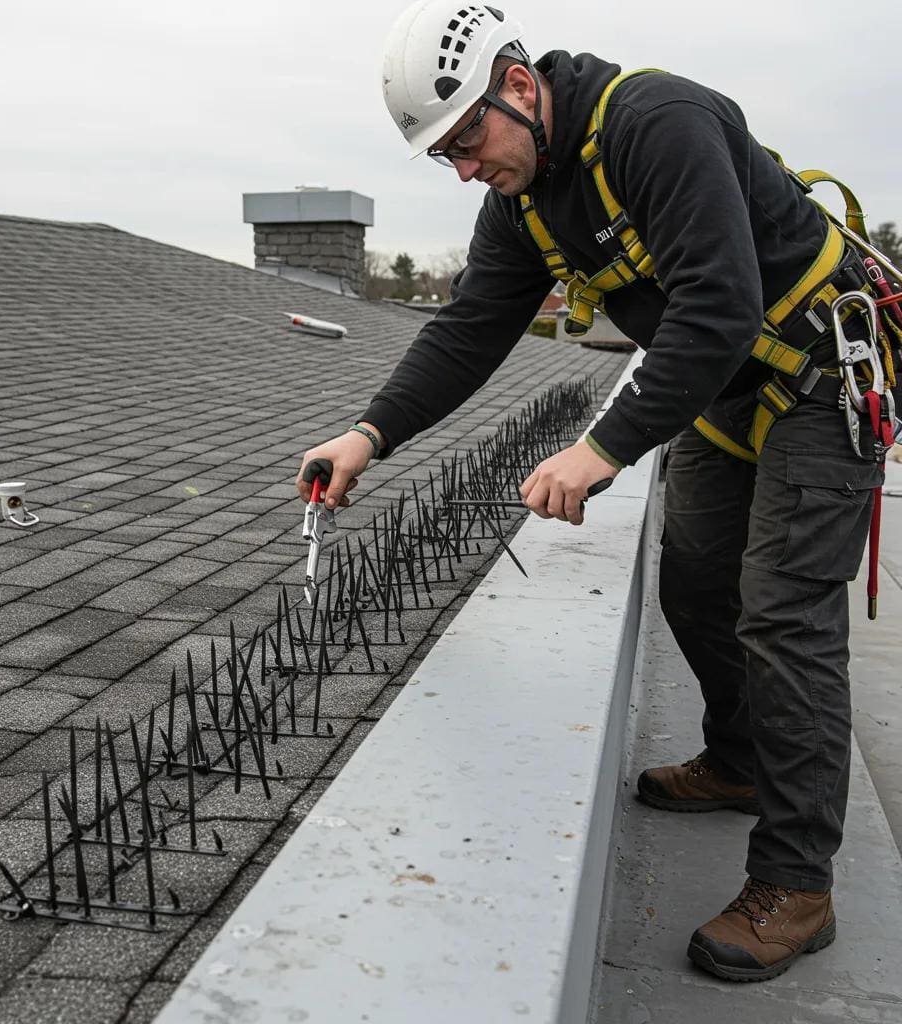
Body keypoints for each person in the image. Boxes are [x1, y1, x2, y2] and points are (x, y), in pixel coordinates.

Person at [296, 0, 896, 982]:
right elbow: (468, 330)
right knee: (695, 584)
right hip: (726, 382)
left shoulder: (657, 122)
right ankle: (743, 758)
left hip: (824, 373)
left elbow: (721, 303)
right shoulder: (524, 200)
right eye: (440, 156)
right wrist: (369, 433)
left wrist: (600, 448)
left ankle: (797, 884)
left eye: (467, 139)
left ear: (520, 87)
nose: (462, 169)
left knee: (783, 616)